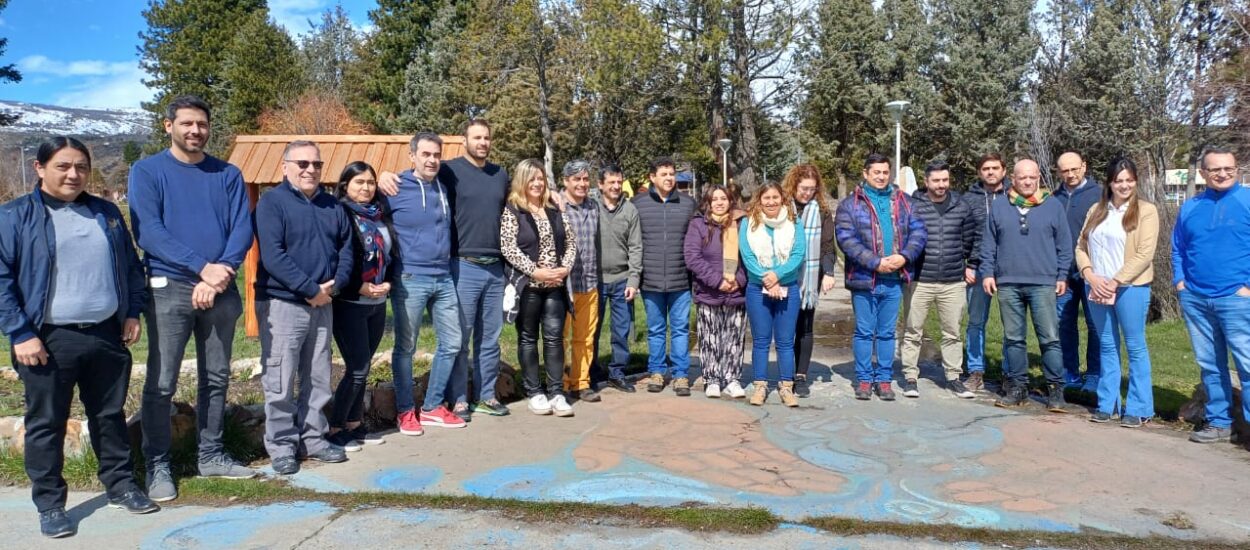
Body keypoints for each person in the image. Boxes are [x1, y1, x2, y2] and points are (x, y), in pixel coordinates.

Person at [1, 137, 158, 538]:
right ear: (40, 168)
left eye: (81, 167)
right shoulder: (15, 216)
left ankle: (121, 485)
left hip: (105, 334)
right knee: (46, 422)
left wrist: (131, 310)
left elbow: (128, 264)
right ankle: (51, 504)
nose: (73, 174)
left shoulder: (104, 212)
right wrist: (20, 332)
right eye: (63, 166)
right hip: (47, 340)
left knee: (108, 416)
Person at [129, 95, 256, 503]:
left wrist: (219, 274)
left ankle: (212, 453)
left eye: (201, 124)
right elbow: (149, 232)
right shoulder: (147, 171)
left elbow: (241, 228)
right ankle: (158, 464)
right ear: (168, 126)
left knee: (216, 376)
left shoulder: (227, 173)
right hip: (169, 287)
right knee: (162, 381)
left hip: (221, 286)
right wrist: (202, 267)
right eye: (186, 123)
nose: (195, 131)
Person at [377, 119, 512, 419]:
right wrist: (381, 177)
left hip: (488, 268)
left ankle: (484, 395)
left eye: (487, 137)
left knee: (483, 338)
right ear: (464, 141)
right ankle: (457, 399)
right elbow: (370, 192)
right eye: (476, 137)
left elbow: (520, 201)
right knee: (454, 340)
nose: (482, 142)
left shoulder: (499, 174)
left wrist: (553, 196)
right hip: (455, 266)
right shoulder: (449, 171)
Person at [254, 141, 354, 474]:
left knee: (318, 376)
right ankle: (282, 445)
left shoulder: (332, 206)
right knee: (280, 380)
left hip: (323, 303)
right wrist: (310, 289)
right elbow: (273, 255)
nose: (310, 169)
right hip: (283, 304)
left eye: (316, 164)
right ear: (285, 167)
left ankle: (314, 439)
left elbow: (346, 249)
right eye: (302, 163)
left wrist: (332, 287)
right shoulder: (272, 203)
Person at [1171, 146, 1250, 444]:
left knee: (1247, 363)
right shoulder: (1191, 206)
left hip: (1237, 298)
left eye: (1228, 168)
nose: (1222, 173)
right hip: (1196, 298)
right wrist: (1181, 282)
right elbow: (1178, 247)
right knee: (1210, 364)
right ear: (1203, 173)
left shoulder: (1246, 200)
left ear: (1236, 168)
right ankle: (1218, 422)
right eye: (1215, 169)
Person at [388, 133, 465, 436]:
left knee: (453, 342)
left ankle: (432, 407)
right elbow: (361, 197)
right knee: (406, 347)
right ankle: (406, 411)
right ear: (412, 156)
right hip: (410, 278)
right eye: (426, 154)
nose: (432, 160)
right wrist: (382, 177)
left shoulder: (442, 188)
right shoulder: (394, 187)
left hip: (443, 277)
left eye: (436, 155)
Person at [980, 159, 1072, 411]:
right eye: (1023, 178)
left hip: (1043, 283)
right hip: (1008, 282)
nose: (1028, 182)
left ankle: (1055, 390)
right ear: (1013, 178)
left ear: (1039, 177)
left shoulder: (1052, 206)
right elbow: (989, 244)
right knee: (1013, 339)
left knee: (1050, 338)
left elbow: (1064, 245)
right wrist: (987, 272)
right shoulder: (1000, 206)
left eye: (1032, 177)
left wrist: (1062, 275)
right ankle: (1017, 387)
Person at [835, 153, 927, 401]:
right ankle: (864, 380)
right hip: (864, 279)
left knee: (887, 332)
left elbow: (919, 233)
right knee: (865, 331)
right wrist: (876, 263)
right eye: (876, 172)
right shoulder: (850, 205)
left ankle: (884, 380)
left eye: (885, 172)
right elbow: (847, 239)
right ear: (865, 173)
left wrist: (904, 257)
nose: (881, 176)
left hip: (894, 279)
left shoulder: (906, 203)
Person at [1075, 158, 1158, 427]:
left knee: (1135, 346)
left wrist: (1115, 281)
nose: (1124, 185)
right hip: (1096, 287)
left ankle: (1139, 407)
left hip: (1129, 288)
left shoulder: (1146, 211)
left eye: (1129, 180)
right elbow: (1080, 246)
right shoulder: (1096, 210)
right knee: (1107, 345)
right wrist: (1089, 275)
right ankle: (1107, 403)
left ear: (1135, 181)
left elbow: (1145, 253)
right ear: (1109, 183)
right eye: (1118, 180)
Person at [327, 162, 397, 451]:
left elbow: (391, 253)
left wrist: (389, 282)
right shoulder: (339, 213)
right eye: (359, 182)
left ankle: (355, 425)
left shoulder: (379, 214)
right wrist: (358, 285)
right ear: (345, 186)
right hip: (350, 302)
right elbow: (337, 257)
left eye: (370, 182)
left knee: (363, 368)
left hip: (377, 302)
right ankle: (334, 428)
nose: (366, 188)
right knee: (357, 367)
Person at [501, 159, 578, 417]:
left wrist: (564, 269)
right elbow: (508, 248)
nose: (536, 183)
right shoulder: (513, 210)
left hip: (555, 285)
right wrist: (536, 272)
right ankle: (535, 392)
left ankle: (556, 392)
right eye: (531, 179)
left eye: (540, 178)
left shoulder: (554, 208)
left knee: (555, 338)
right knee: (528, 338)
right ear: (522, 181)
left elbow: (570, 242)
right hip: (529, 286)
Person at [900, 161, 978, 399]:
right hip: (920, 279)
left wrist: (971, 265)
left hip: (952, 281)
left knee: (952, 332)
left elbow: (971, 240)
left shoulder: (961, 206)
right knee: (913, 330)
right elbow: (904, 237)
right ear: (926, 182)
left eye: (945, 180)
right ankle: (910, 376)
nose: (941, 185)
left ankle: (953, 377)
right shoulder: (913, 206)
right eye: (936, 180)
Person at [633, 158, 697, 395]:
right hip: (650, 279)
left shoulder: (688, 204)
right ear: (652, 177)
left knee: (680, 329)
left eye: (672, 174)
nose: (669, 178)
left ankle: (680, 374)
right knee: (656, 329)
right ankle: (657, 371)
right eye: (664, 174)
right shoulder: (638, 204)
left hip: (681, 279)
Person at [740, 183, 807, 406]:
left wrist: (777, 275)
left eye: (775, 197)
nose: (771, 202)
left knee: (786, 341)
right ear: (759, 200)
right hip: (757, 289)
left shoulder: (794, 222)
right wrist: (767, 280)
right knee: (760, 340)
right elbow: (747, 256)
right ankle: (760, 385)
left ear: (783, 199)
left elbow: (798, 254)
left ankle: (786, 387)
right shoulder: (748, 224)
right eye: (766, 198)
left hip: (788, 289)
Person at [683, 185, 748, 399]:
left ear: (731, 201)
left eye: (723, 198)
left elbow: (751, 256)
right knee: (710, 337)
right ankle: (712, 378)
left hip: (736, 293)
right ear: (708, 203)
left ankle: (732, 378)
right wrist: (717, 281)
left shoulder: (741, 224)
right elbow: (693, 257)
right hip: (709, 292)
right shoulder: (698, 225)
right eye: (715, 199)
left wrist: (738, 280)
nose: (719, 203)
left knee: (734, 338)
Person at [782, 165, 838, 398]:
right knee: (786, 328)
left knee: (805, 326)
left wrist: (828, 273)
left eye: (812, 189)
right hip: (785, 276)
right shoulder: (782, 207)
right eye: (803, 188)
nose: (807, 193)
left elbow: (827, 245)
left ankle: (801, 376)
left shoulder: (822, 210)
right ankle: (785, 374)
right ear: (794, 185)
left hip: (809, 277)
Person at [1054, 151, 1103, 392]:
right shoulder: (1055, 197)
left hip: (1092, 273)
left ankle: (1094, 375)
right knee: (1064, 323)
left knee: (1095, 325)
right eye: (1065, 170)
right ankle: (1068, 372)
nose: (1070, 174)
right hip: (1063, 273)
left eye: (1075, 169)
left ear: (1084, 166)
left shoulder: (1100, 195)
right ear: (1059, 171)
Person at [590, 165, 642, 393]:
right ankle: (589, 371)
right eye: (610, 182)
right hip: (595, 280)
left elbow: (636, 247)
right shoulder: (590, 207)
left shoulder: (630, 210)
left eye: (618, 182)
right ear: (600, 184)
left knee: (620, 331)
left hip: (622, 279)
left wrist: (633, 280)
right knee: (592, 329)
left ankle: (617, 372)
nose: (615, 186)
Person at [961, 152, 1008, 392]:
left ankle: (1010, 373)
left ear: (1004, 170)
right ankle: (976, 370)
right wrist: (965, 265)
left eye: (995, 168)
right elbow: (960, 235)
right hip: (977, 268)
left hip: (1010, 267)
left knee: (1012, 322)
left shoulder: (1016, 196)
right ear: (980, 172)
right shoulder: (968, 199)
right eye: (986, 168)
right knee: (976, 321)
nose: (990, 172)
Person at [560, 160, 601, 402]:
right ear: (566, 181)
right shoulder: (557, 207)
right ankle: (561, 382)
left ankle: (581, 382)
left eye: (585, 179)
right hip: (563, 285)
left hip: (589, 282)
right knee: (560, 337)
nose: (582, 184)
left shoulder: (594, 207)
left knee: (585, 338)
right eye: (576, 179)